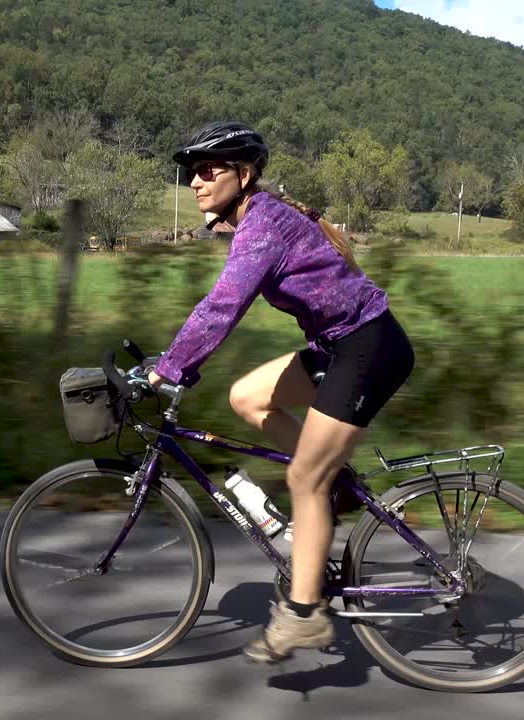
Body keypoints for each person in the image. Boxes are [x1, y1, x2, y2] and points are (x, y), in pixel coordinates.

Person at [145, 121, 415, 663]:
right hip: (340, 346)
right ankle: (331, 481)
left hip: (369, 347)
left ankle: (303, 616)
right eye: (190, 173)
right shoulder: (255, 222)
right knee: (247, 397)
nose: (195, 183)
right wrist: (172, 364)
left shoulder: (264, 226)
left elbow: (222, 307)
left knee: (301, 477)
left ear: (243, 175)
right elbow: (220, 307)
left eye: (206, 171)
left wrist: (167, 370)